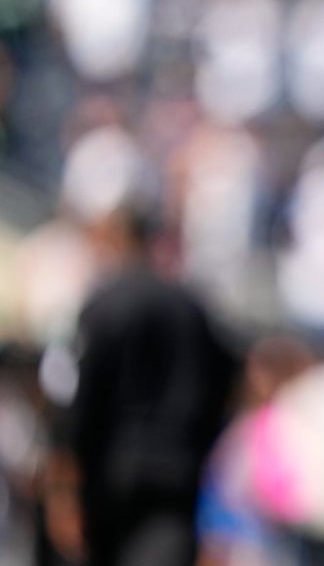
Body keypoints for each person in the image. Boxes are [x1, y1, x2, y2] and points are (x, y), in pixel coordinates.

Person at [63, 202, 241, 566]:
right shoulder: (192, 306)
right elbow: (229, 382)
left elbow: (82, 399)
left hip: (113, 475)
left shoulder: (105, 304)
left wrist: (66, 482)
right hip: (178, 471)